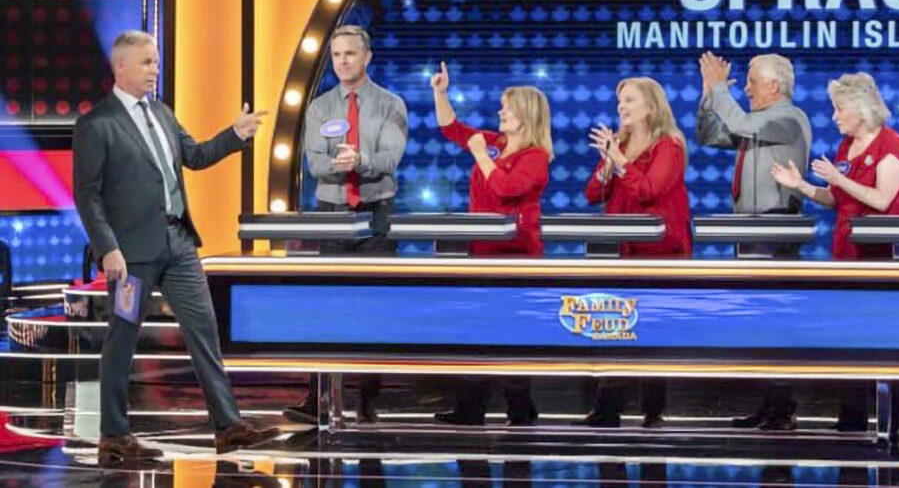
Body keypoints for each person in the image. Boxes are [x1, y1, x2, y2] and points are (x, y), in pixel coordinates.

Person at [73, 30, 278, 466]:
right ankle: (114, 434)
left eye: (156, 62)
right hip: (131, 256)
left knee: (204, 332)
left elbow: (197, 156)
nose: (154, 70)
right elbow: (87, 195)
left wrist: (235, 134)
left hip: (179, 243)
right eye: (147, 63)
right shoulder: (97, 124)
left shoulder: (162, 114)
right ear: (121, 66)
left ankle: (228, 428)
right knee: (122, 338)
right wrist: (107, 248)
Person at [771, 72, 899, 435]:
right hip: (847, 255)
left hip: (883, 261)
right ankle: (851, 420)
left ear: (861, 109)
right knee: (849, 340)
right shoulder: (844, 149)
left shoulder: (892, 146)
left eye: (839, 108)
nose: (834, 116)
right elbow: (837, 199)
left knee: (884, 342)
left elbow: (882, 200)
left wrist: (839, 179)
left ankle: (894, 424)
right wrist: (803, 186)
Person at [285, 25, 409, 426]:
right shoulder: (320, 107)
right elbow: (315, 163)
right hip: (332, 213)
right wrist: (338, 165)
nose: (342, 62)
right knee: (326, 305)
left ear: (367, 57)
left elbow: (391, 157)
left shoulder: (390, 104)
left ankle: (368, 399)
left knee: (373, 306)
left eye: (350, 54)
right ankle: (317, 395)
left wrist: (362, 162)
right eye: (337, 55)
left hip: (376, 213)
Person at [696, 52, 812, 431]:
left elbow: (739, 120)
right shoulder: (756, 124)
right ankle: (770, 404)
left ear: (774, 86)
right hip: (752, 230)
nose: (744, 88)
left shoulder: (788, 119)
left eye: (752, 81)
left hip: (776, 230)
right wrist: (706, 94)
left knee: (777, 321)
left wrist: (718, 89)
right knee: (760, 322)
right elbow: (710, 135)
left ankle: (783, 407)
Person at [430, 61, 550, 425]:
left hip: (515, 258)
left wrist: (481, 155)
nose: (500, 111)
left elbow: (506, 189)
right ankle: (470, 407)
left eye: (507, 107)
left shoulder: (535, 158)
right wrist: (440, 92)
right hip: (480, 253)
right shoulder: (495, 142)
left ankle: (519, 407)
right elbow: (451, 128)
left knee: (513, 334)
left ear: (525, 115)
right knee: (475, 329)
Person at [576, 77, 691, 428]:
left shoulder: (668, 146)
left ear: (651, 107)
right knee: (614, 327)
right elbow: (592, 194)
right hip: (620, 251)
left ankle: (653, 410)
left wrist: (620, 162)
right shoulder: (620, 143)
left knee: (651, 331)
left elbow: (650, 191)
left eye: (629, 101)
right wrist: (609, 164)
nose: (621, 107)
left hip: (659, 253)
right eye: (619, 101)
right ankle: (608, 407)